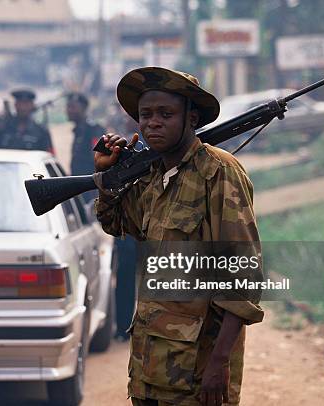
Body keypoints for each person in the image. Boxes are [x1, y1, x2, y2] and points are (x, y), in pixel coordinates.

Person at [94, 67, 263, 406]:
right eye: (146, 115)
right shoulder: (153, 175)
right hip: (150, 365)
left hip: (198, 371)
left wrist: (219, 363)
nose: (153, 122)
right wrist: (107, 177)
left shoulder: (218, 172)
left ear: (192, 118)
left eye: (165, 114)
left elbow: (242, 275)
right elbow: (116, 224)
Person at [0, 89, 54, 153]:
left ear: (32, 106)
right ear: (15, 105)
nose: (23, 108)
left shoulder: (41, 132)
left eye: (26, 104)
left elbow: (49, 157)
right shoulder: (4, 129)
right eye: (20, 104)